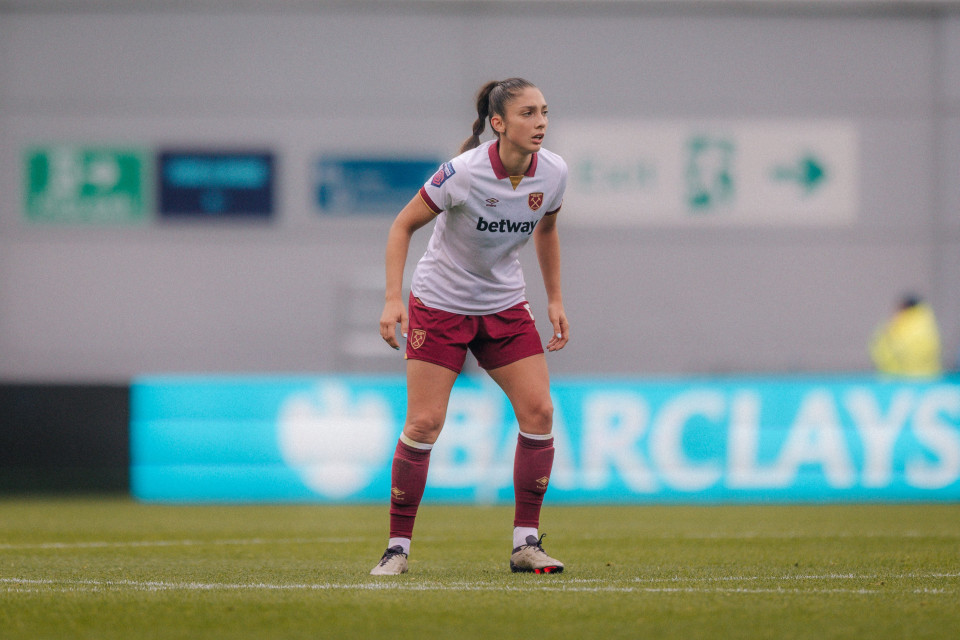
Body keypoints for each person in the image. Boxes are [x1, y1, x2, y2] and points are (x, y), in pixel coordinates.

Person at [371, 78, 569, 576]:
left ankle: (526, 544)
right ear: (498, 123)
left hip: (504, 305)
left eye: (544, 111)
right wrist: (394, 299)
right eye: (528, 113)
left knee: (540, 411)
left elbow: (546, 229)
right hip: (440, 306)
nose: (540, 121)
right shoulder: (462, 173)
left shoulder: (555, 173)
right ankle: (397, 548)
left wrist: (556, 300)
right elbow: (401, 226)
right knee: (424, 424)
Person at [869, 293, 942, 377]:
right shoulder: (927, 326)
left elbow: (883, 351)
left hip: (904, 380)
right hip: (926, 381)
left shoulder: (905, 328)